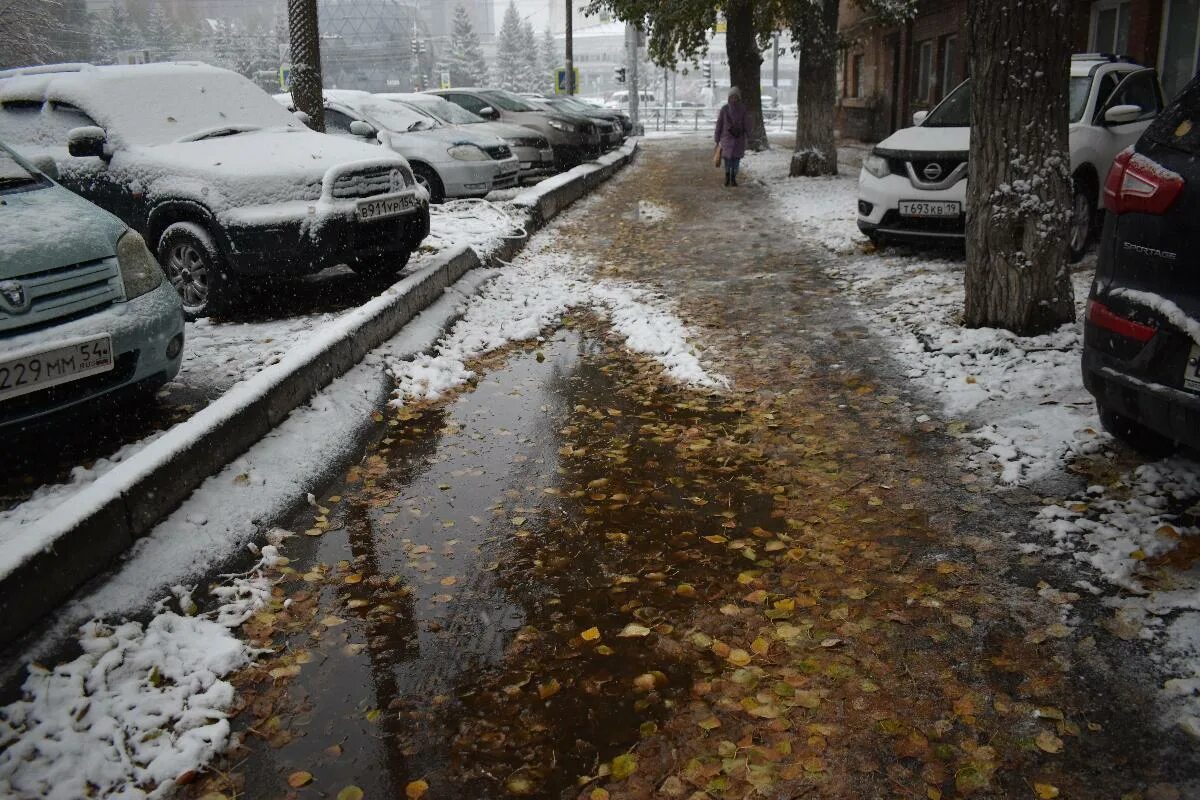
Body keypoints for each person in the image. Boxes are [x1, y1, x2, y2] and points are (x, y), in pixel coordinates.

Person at [714, 86, 751, 187]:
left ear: (739, 98)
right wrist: (717, 138)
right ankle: (727, 177)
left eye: (735, 97)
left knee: (736, 160)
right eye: (732, 96)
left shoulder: (743, 109)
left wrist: (749, 135)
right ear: (729, 97)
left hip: (739, 139)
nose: (733, 99)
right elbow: (719, 124)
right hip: (726, 138)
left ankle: (733, 178)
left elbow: (747, 123)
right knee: (727, 160)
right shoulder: (724, 109)